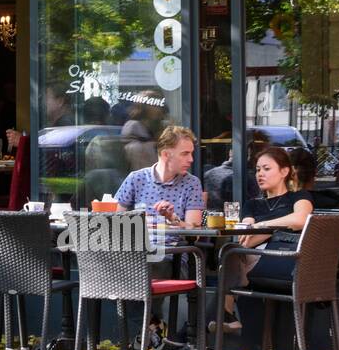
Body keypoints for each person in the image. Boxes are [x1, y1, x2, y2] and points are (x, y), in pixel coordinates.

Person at [214, 146, 315, 333]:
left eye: (267, 169)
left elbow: (301, 220)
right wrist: (269, 228)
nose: (260, 174)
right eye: (258, 169)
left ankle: (225, 314)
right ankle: (225, 315)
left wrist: (264, 226)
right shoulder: (252, 204)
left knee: (230, 254)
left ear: (284, 171)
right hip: (261, 260)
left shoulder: (299, 197)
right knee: (231, 250)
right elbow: (246, 237)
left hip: (290, 262)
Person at [113, 125, 204, 229]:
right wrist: (137, 220)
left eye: (191, 153)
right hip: (139, 243)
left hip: (175, 245)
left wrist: (172, 218)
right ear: (166, 155)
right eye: (185, 154)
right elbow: (115, 219)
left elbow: (195, 231)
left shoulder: (191, 183)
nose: (191, 159)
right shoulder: (136, 178)